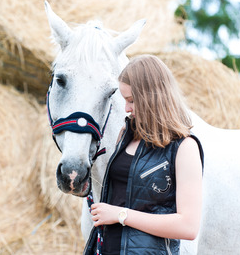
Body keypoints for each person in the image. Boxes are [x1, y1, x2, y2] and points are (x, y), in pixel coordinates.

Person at [84, 54, 204, 255]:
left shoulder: (185, 147)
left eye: (131, 100)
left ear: (151, 97)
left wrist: (121, 215)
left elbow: (188, 226)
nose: (126, 108)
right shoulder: (126, 135)